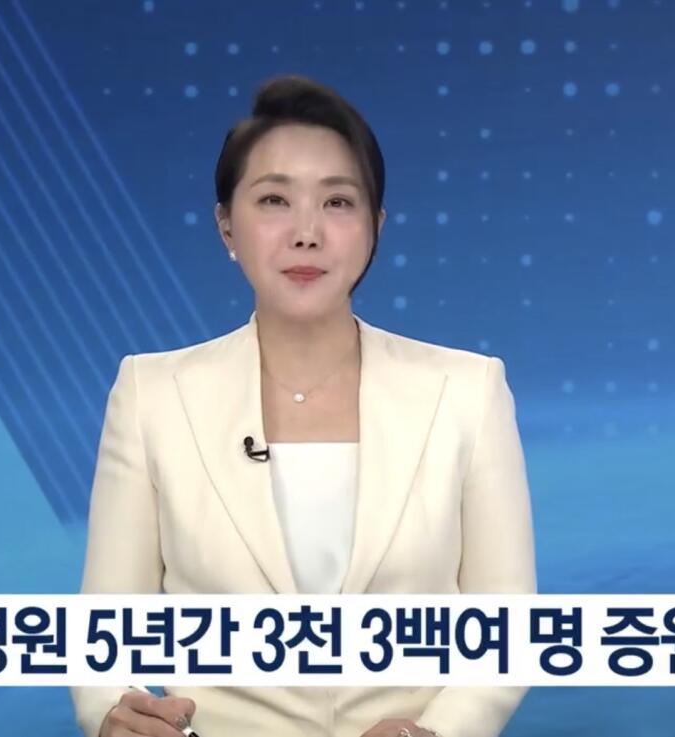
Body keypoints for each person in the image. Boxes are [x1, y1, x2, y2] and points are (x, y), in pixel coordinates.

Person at [71, 75, 536, 737]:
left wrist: (432, 734)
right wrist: (115, 715)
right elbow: (100, 640)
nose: (307, 233)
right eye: (274, 200)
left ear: (375, 227)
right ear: (226, 226)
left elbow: (507, 629)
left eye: (338, 202)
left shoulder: (467, 390)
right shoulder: (152, 394)